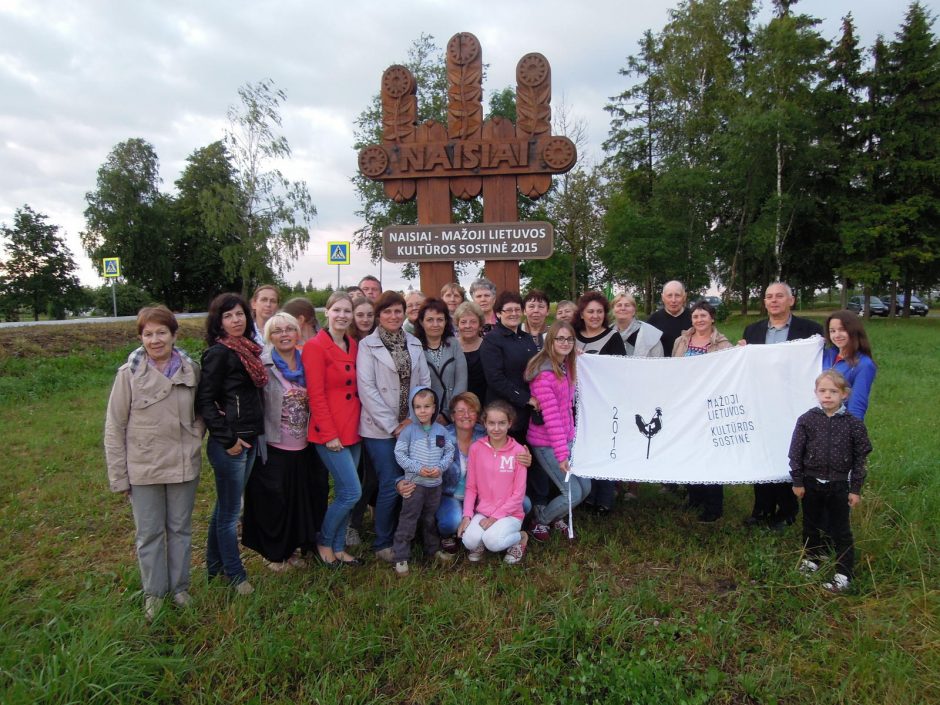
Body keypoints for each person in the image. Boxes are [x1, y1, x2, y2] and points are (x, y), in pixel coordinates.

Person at [104, 306, 204, 620]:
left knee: (180, 530)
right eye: (148, 334)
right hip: (143, 467)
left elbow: (202, 412)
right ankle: (155, 594)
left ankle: (179, 588)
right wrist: (119, 477)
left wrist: (194, 435)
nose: (155, 340)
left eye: (162, 332)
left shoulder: (192, 369)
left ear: (174, 335)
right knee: (149, 534)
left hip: (183, 464)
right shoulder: (128, 374)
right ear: (140, 338)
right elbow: (114, 426)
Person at [196, 293, 266, 595]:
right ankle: (236, 576)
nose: (236, 320)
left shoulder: (248, 350)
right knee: (229, 515)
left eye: (239, 314)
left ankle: (214, 567)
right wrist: (228, 439)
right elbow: (205, 400)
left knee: (223, 510)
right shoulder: (219, 354)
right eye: (228, 316)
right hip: (232, 445)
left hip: (249, 438)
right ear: (218, 322)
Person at [741, 282, 823, 529]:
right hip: (760, 402)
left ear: (791, 300)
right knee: (762, 453)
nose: (773, 300)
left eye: (779, 296)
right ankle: (761, 509)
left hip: (792, 403)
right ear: (764, 302)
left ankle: (786, 511)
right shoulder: (753, 331)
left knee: (789, 453)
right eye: (768, 297)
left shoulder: (810, 331)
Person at [357, 291, 431, 562]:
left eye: (398, 311)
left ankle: (408, 534)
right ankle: (383, 542)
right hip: (379, 429)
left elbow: (424, 381)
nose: (393, 316)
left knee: (412, 480)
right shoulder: (368, 346)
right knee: (391, 482)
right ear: (379, 315)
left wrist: (414, 417)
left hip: (411, 424)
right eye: (387, 311)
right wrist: (393, 425)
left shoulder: (413, 342)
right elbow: (367, 389)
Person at [242, 313, 317, 573]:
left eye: (289, 329)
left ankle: (292, 548)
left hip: (304, 444)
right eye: (277, 331)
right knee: (274, 501)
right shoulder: (262, 365)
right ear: (269, 336)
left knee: (297, 500)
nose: (284, 335)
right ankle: (274, 554)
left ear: (298, 333)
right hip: (274, 445)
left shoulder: (307, 361)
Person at [789, 370, 872, 593]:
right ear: (816, 393)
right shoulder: (807, 419)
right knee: (810, 524)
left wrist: (855, 489)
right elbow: (795, 453)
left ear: (844, 395)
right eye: (823, 391)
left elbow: (860, 458)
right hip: (811, 482)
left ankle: (843, 573)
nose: (827, 395)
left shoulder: (853, 424)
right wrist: (798, 481)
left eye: (833, 391)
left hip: (838, 485)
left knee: (841, 530)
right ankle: (811, 559)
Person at [479, 291, 548, 537]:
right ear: (498, 313)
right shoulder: (493, 340)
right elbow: (495, 379)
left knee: (526, 464)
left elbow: (539, 365)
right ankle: (501, 514)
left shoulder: (525, 338)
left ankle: (526, 512)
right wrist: (525, 398)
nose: (513, 314)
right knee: (506, 466)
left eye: (516, 310)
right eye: (507, 310)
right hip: (504, 414)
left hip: (527, 413)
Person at [303, 292, 364, 567]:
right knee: (352, 492)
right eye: (336, 310)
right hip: (330, 432)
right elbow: (315, 395)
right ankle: (325, 541)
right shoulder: (316, 347)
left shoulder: (353, 344)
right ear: (326, 312)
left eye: (347, 311)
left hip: (353, 428)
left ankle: (339, 548)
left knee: (345, 492)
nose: (342, 316)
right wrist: (329, 434)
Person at [438, 392, 534, 553]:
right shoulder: (441, 437)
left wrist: (525, 459)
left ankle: (503, 531)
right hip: (454, 495)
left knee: (524, 503)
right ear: (452, 416)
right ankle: (454, 533)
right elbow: (427, 459)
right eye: (460, 411)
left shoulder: (486, 434)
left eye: (471, 410)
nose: (466, 415)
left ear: (478, 417)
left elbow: (505, 443)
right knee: (455, 523)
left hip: (486, 499)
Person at [525, 321, 591, 538]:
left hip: (567, 439)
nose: (565, 343)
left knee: (586, 488)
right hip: (547, 442)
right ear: (550, 341)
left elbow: (567, 408)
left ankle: (555, 516)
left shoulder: (565, 365)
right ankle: (541, 521)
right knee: (571, 493)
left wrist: (578, 355)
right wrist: (562, 454)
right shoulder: (543, 374)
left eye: (569, 339)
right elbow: (551, 418)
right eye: (560, 339)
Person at [673, 300, 733, 522]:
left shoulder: (723, 344)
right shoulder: (682, 341)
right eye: (695, 316)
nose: (699, 320)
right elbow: (673, 369)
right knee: (689, 450)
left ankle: (713, 506)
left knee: (709, 455)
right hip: (686, 406)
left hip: (710, 407)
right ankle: (694, 496)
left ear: (712, 318)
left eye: (703, 316)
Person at [391, 387, 456, 574]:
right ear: (413, 408)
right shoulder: (408, 432)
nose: (422, 411)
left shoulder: (441, 432)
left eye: (427, 406)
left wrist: (440, 468)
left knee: (430, 519)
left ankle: (432, 549)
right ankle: (401, 556)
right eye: (418, 407)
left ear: (434, 407)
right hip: (415, 485)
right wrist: (418, 468)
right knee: (408, 519)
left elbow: (448, 452)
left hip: (434, 486)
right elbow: (400, 454)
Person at [458, 401, 529, 564]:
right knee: (468, 541)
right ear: (484, 423)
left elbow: (518, 495)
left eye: (502, 423)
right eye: (491, 423)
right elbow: (471, 487)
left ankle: (520, 538)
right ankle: (481, 540)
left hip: (510, 514)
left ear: (509, 423)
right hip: (484, 511)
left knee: (493, 542)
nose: (496, 428)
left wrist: (496, 517)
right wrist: (467, 515)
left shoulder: (518, 452)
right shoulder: (476, 448)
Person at [415, 298, 466, 425]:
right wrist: (430, 413)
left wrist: (447, 413)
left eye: (440, 320)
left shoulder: (454, 343)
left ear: (446, 322)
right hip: (425, 416)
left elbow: (462, 380)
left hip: (453, 415)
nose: (435, 324)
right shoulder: (414, 347)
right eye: (430, 320)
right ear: (421, 322)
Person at [823, 310, 876, 420]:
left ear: (853, 331)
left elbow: (857, 403)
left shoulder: (864, 364)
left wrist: (852, 432)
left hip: (839, 424)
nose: (836, 335)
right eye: (832, 331)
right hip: (816, 422)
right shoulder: (825, 355)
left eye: (842, 330)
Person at [646, 281, 692, 359]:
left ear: (684, 297)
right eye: (669, 295)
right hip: (661, 366)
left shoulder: (694, 318)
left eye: (677, 295)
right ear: (663, 298)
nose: (673, 300)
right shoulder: (653, 320)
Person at [612, 292, 664, 358]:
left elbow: (659, 362)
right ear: (613, 310)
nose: (623, 308)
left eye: (627, 305)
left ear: (634, 311)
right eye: (619, 305)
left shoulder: (650, 334)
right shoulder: (607, 333)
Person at [574, 291, 627, 356]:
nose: (595, 316)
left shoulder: (613, 337)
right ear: (582, 315)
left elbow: (621, 365)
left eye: (600, 311)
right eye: (590, 312)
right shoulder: (573, 335)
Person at [454, 301, 487, 404]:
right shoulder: (451, 347)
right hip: (456, 402)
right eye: (463, 322)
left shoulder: (488, 347)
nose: (468, 326)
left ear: (480, 325)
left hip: (484, 401)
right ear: (457, 325)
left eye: (473, 322)